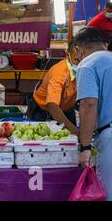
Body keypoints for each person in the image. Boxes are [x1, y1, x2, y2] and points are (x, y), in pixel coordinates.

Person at [74, 27, 112, 200]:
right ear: (104, 44)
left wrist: (85, 147)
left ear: (79, 49)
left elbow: (89, 104)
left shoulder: (87, 64)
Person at [28, 43, 79, 135]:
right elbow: (52, 106)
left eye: (84, 60)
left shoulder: (87, 70)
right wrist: (75, 131)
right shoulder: (59, 73)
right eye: (77, 60)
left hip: (66, 108)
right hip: (43, 110)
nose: (80, 64)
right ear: (67, 55)